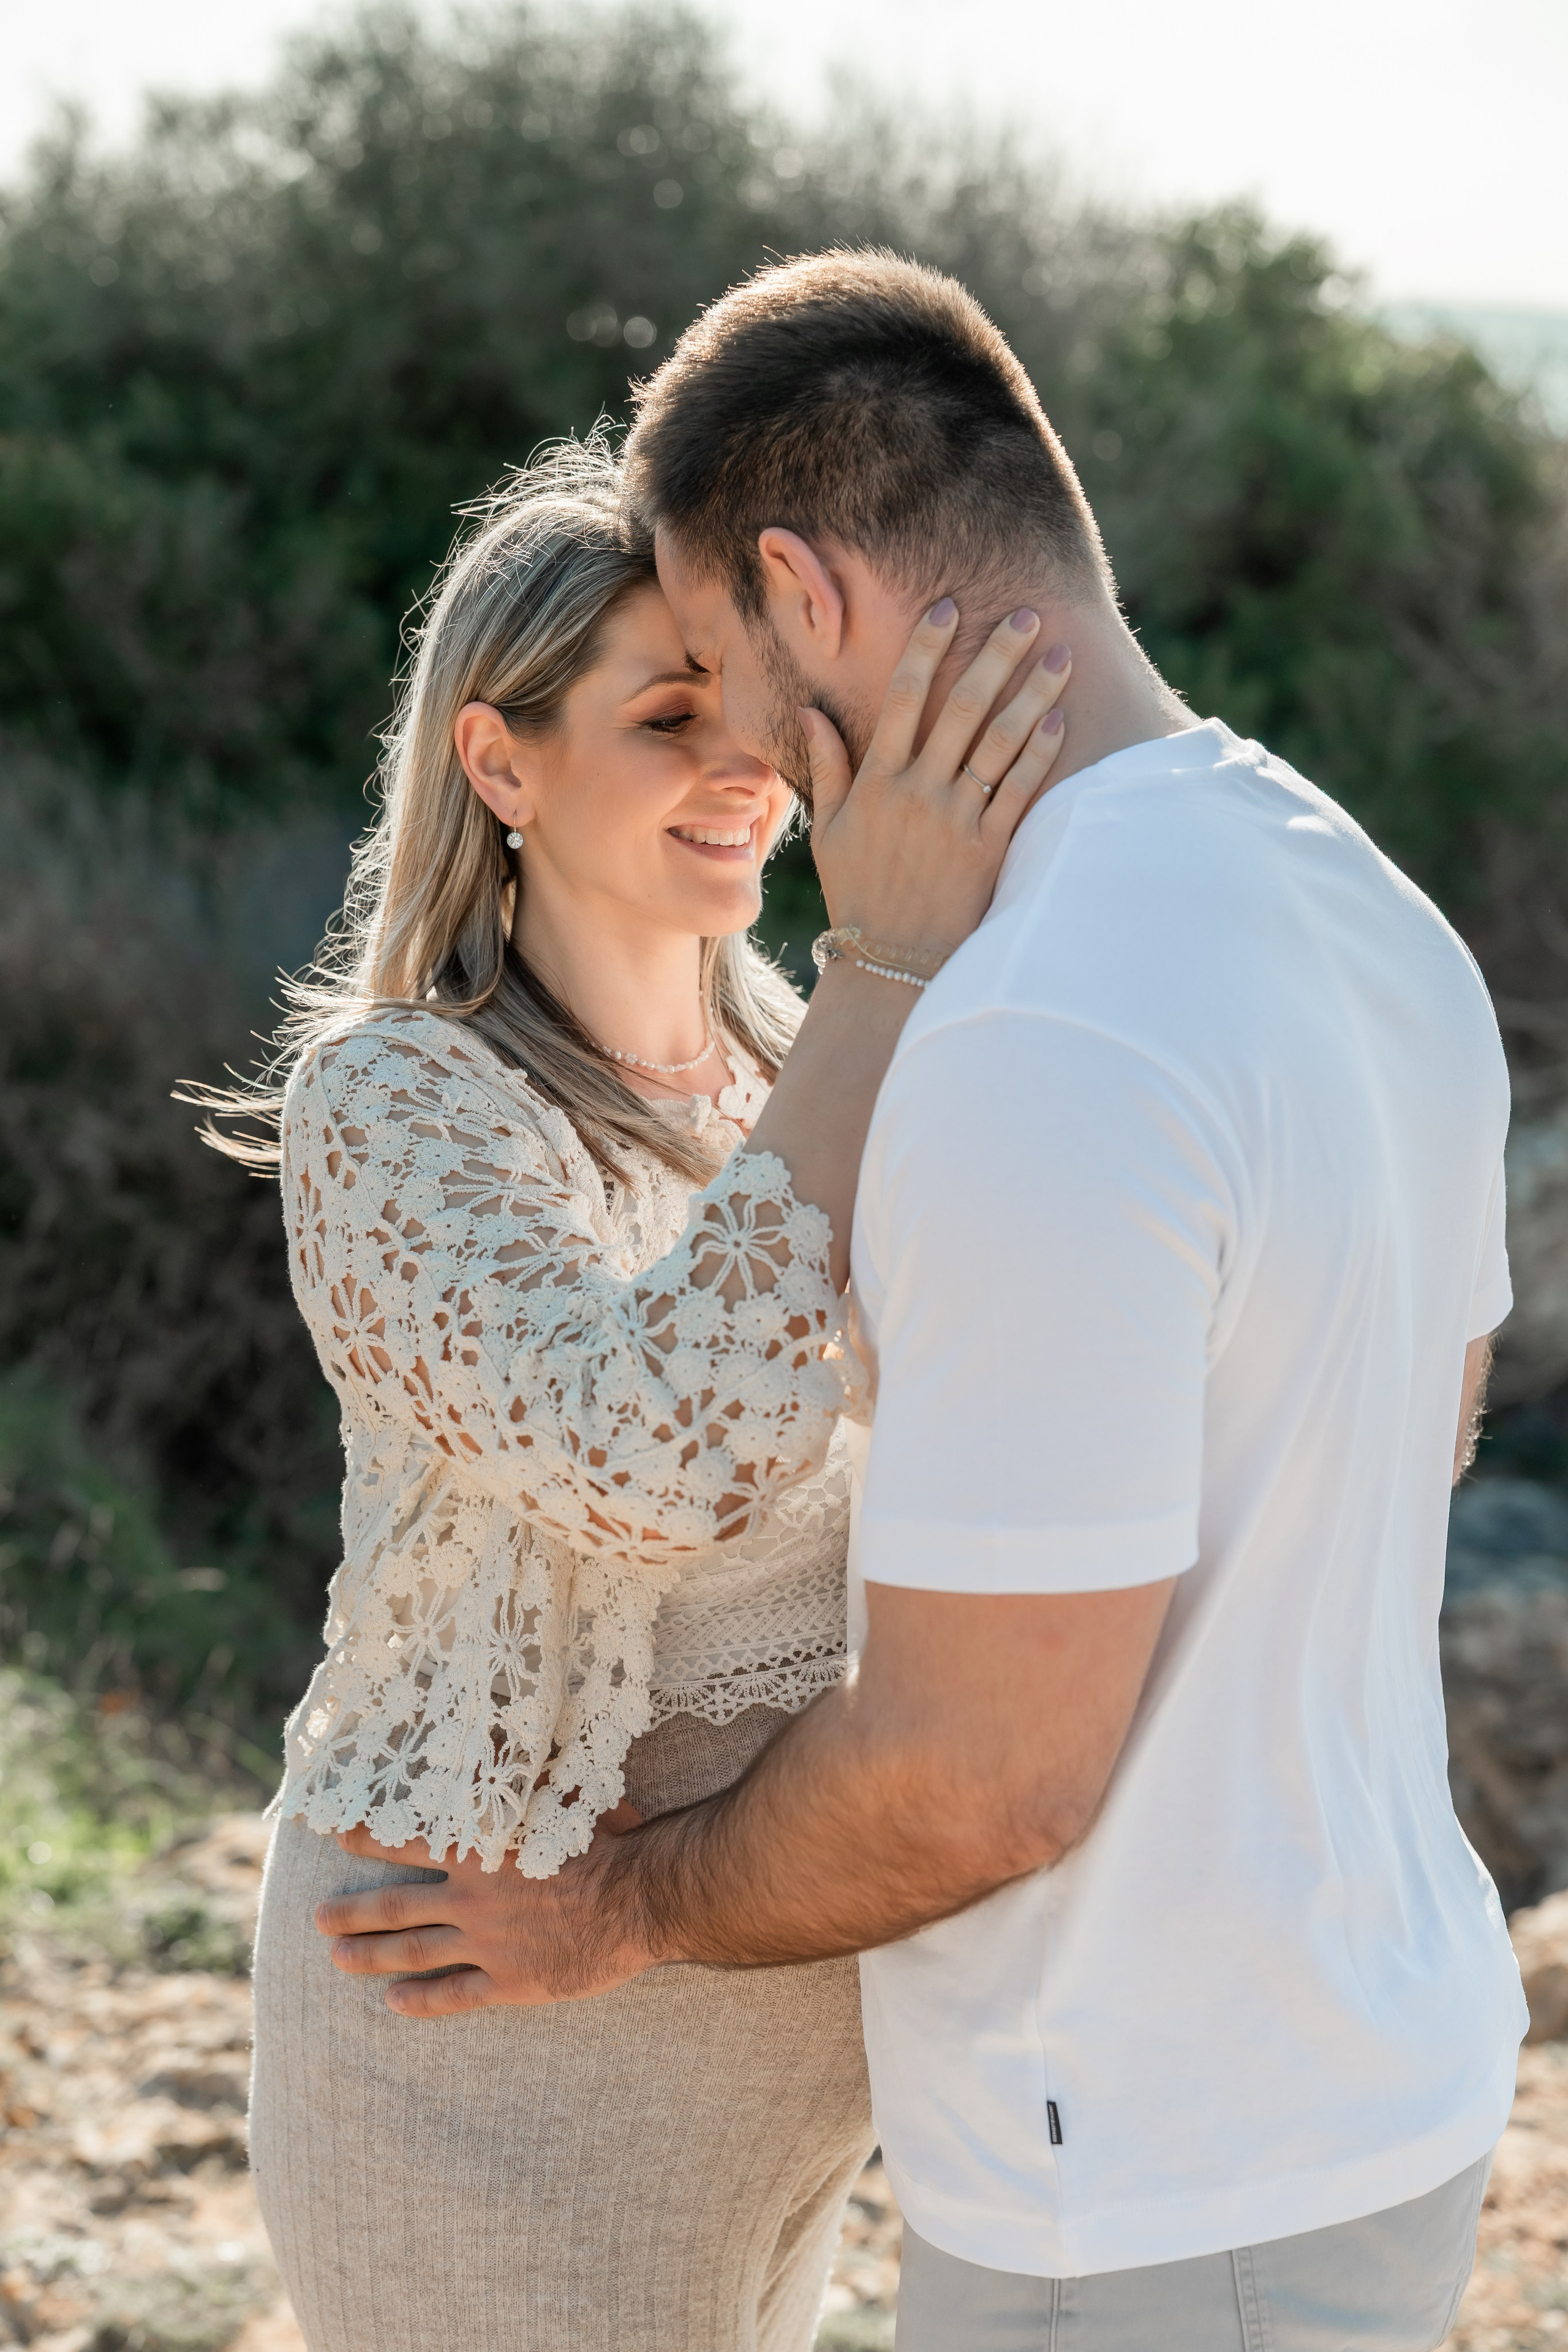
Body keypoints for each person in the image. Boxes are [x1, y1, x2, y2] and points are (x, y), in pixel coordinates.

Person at [323, 255, 1528, 2351]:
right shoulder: (1356, 896)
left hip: (1149, 2147)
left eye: (720, 662)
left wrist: (621, 1908)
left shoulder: (1016, 1026)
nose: (755, 763)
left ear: (808, 595)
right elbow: (1405, 1439)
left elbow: (981, 1779)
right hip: (1333, 2074)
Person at [228, 432, 1069, 2352]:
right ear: (500, 761)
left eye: (757, 708)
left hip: (785, 2023)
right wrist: (885, 956)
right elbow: (650, 1458)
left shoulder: (814, 1055)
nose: (741, 765)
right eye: (667, 713)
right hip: (492, 2039)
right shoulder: (401, 1105)